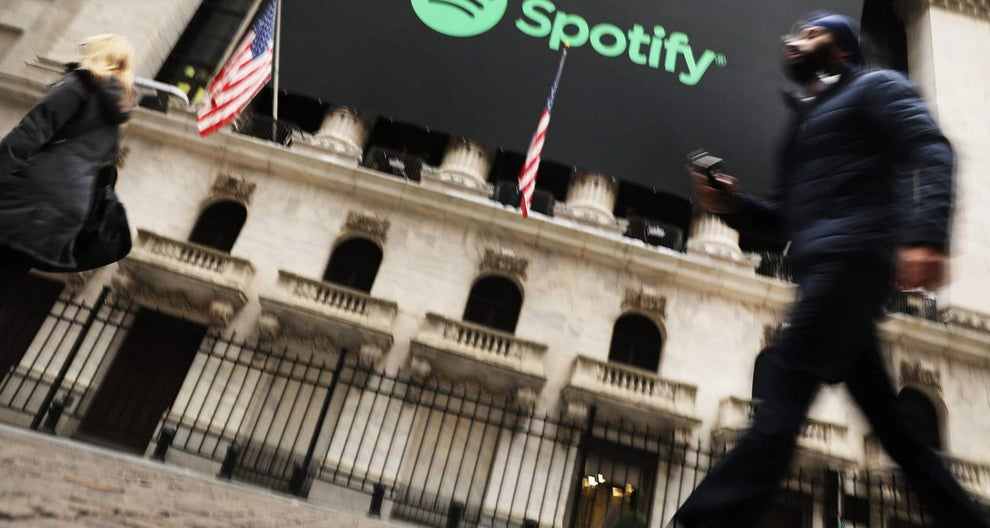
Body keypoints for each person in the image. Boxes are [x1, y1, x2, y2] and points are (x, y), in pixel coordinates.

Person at [671, 12, 989, 528]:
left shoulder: (876, 88)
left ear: (840, 49)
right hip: (828, 274)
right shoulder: (803, 124)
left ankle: (703, 521)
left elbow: (932, 149)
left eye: (810, 33)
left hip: (851, 265)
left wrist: (927, 235)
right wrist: (731, 205)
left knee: (783, 396)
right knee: (899, 436)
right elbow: (782, 220)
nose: (793, 41)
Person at [0, 34, 135, 301]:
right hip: (64, 214)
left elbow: (28, 135)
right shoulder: (117, 120)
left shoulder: (78, 83)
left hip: (29, 197)